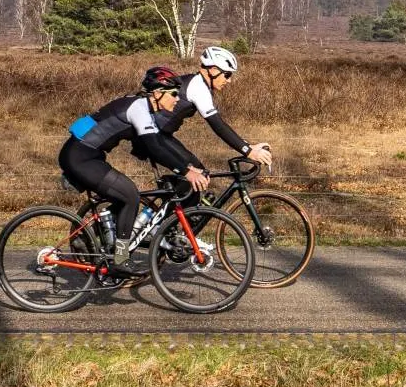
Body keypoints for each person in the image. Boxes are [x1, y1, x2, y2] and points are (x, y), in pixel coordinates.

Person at [58, 66, 210, 251]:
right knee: (130, 196)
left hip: (88, 156)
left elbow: (158, 146)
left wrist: (186, 167)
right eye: (174, 94)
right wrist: (186, 172)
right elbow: (155, 148)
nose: (178, 99)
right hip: (81, 158)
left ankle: (92, 234)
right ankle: (120, 258)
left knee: (124, 196)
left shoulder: (143, 107)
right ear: (157, 93)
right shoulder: (139, 109)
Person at [140, 45, 274, 171]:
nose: (229, 80)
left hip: (158, 134)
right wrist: (248, 151)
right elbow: (217, 125)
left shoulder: (196, 82)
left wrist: (248, 146)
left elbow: (220, 125)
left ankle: (170, 193)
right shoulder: (198, 87)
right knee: (197, 175)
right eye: (227, 74)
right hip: (151, 136)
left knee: (196, 175)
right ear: (213, 70)